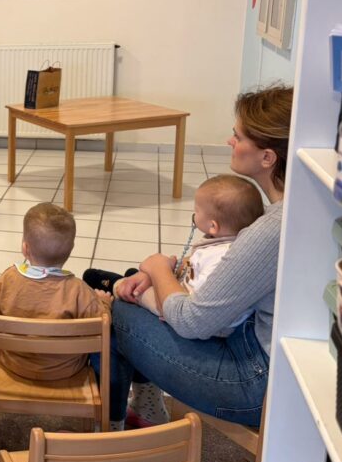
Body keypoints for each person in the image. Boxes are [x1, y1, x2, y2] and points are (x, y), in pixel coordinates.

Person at [84, 85, 293, 430]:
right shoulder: (287, 212)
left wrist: (154, 267)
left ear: (267, 157)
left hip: (255, 382)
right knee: (132, 287)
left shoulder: (270, 230)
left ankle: (110, 430)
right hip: (260, 357)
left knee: (116, 311)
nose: (230, 142)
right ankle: (143, 405)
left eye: (237, 136)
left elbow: (192, 320)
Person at [0, 203, 112, 381]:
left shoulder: (7, 280)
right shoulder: (79, 291)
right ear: (71, 250)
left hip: (13, 365)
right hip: (66, 371)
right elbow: (102, 325)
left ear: (25, 248)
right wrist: (105, 303)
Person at [116, 174, 264, 323]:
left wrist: (159, 272)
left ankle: (116, 287)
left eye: (197, 211)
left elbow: (191, 305)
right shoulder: (226, 242)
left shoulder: (218, 258)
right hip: (184, 293)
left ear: (213, 226)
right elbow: (192, 268)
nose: (193, 214)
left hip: (183, 310)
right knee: (135, 275)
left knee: (134, 294)